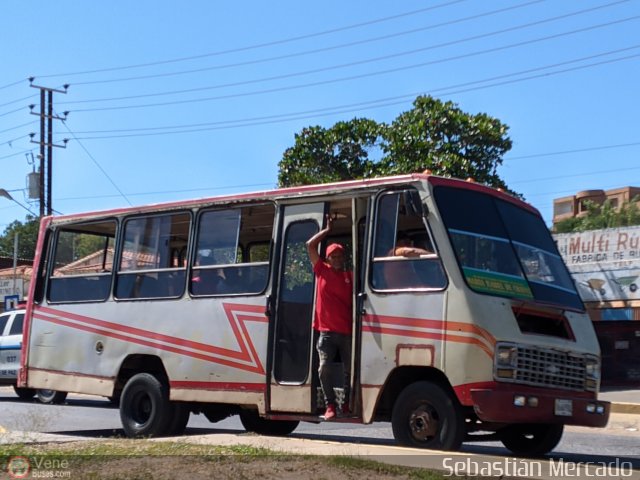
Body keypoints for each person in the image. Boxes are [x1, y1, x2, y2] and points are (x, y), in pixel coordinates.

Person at [306, 214, 353, 421]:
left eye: (340, 257)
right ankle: (330, 405)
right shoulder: (321, 271)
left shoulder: (349, 276)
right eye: (333, 257)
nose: (337, 260)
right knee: (323, 368)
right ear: (327, 259)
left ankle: (348, 402)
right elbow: (309, 245)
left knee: (351, 370)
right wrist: (327, 230)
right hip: (326, 332)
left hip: (347, 331)